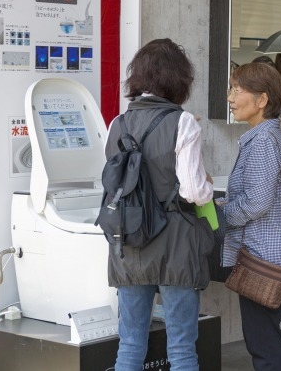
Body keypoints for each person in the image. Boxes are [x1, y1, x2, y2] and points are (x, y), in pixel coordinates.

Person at [107, 38, 215, 371]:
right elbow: (195, 192)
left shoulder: (117, 123)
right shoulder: (182, 123)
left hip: (129, 243)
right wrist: (209, 185)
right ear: (178, 80)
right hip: (175, 245)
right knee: (182, 348)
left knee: (130, 344)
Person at [218, 62, 281, 370]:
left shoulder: (263, 140)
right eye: (231, 90)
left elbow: (257, 203)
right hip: (261, 252)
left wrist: (223, 214)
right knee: (262, 337)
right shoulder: (260, 135)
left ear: (262, 100)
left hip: (262, 256)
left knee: (263, 342)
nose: (231, 98)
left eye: (238, 91)